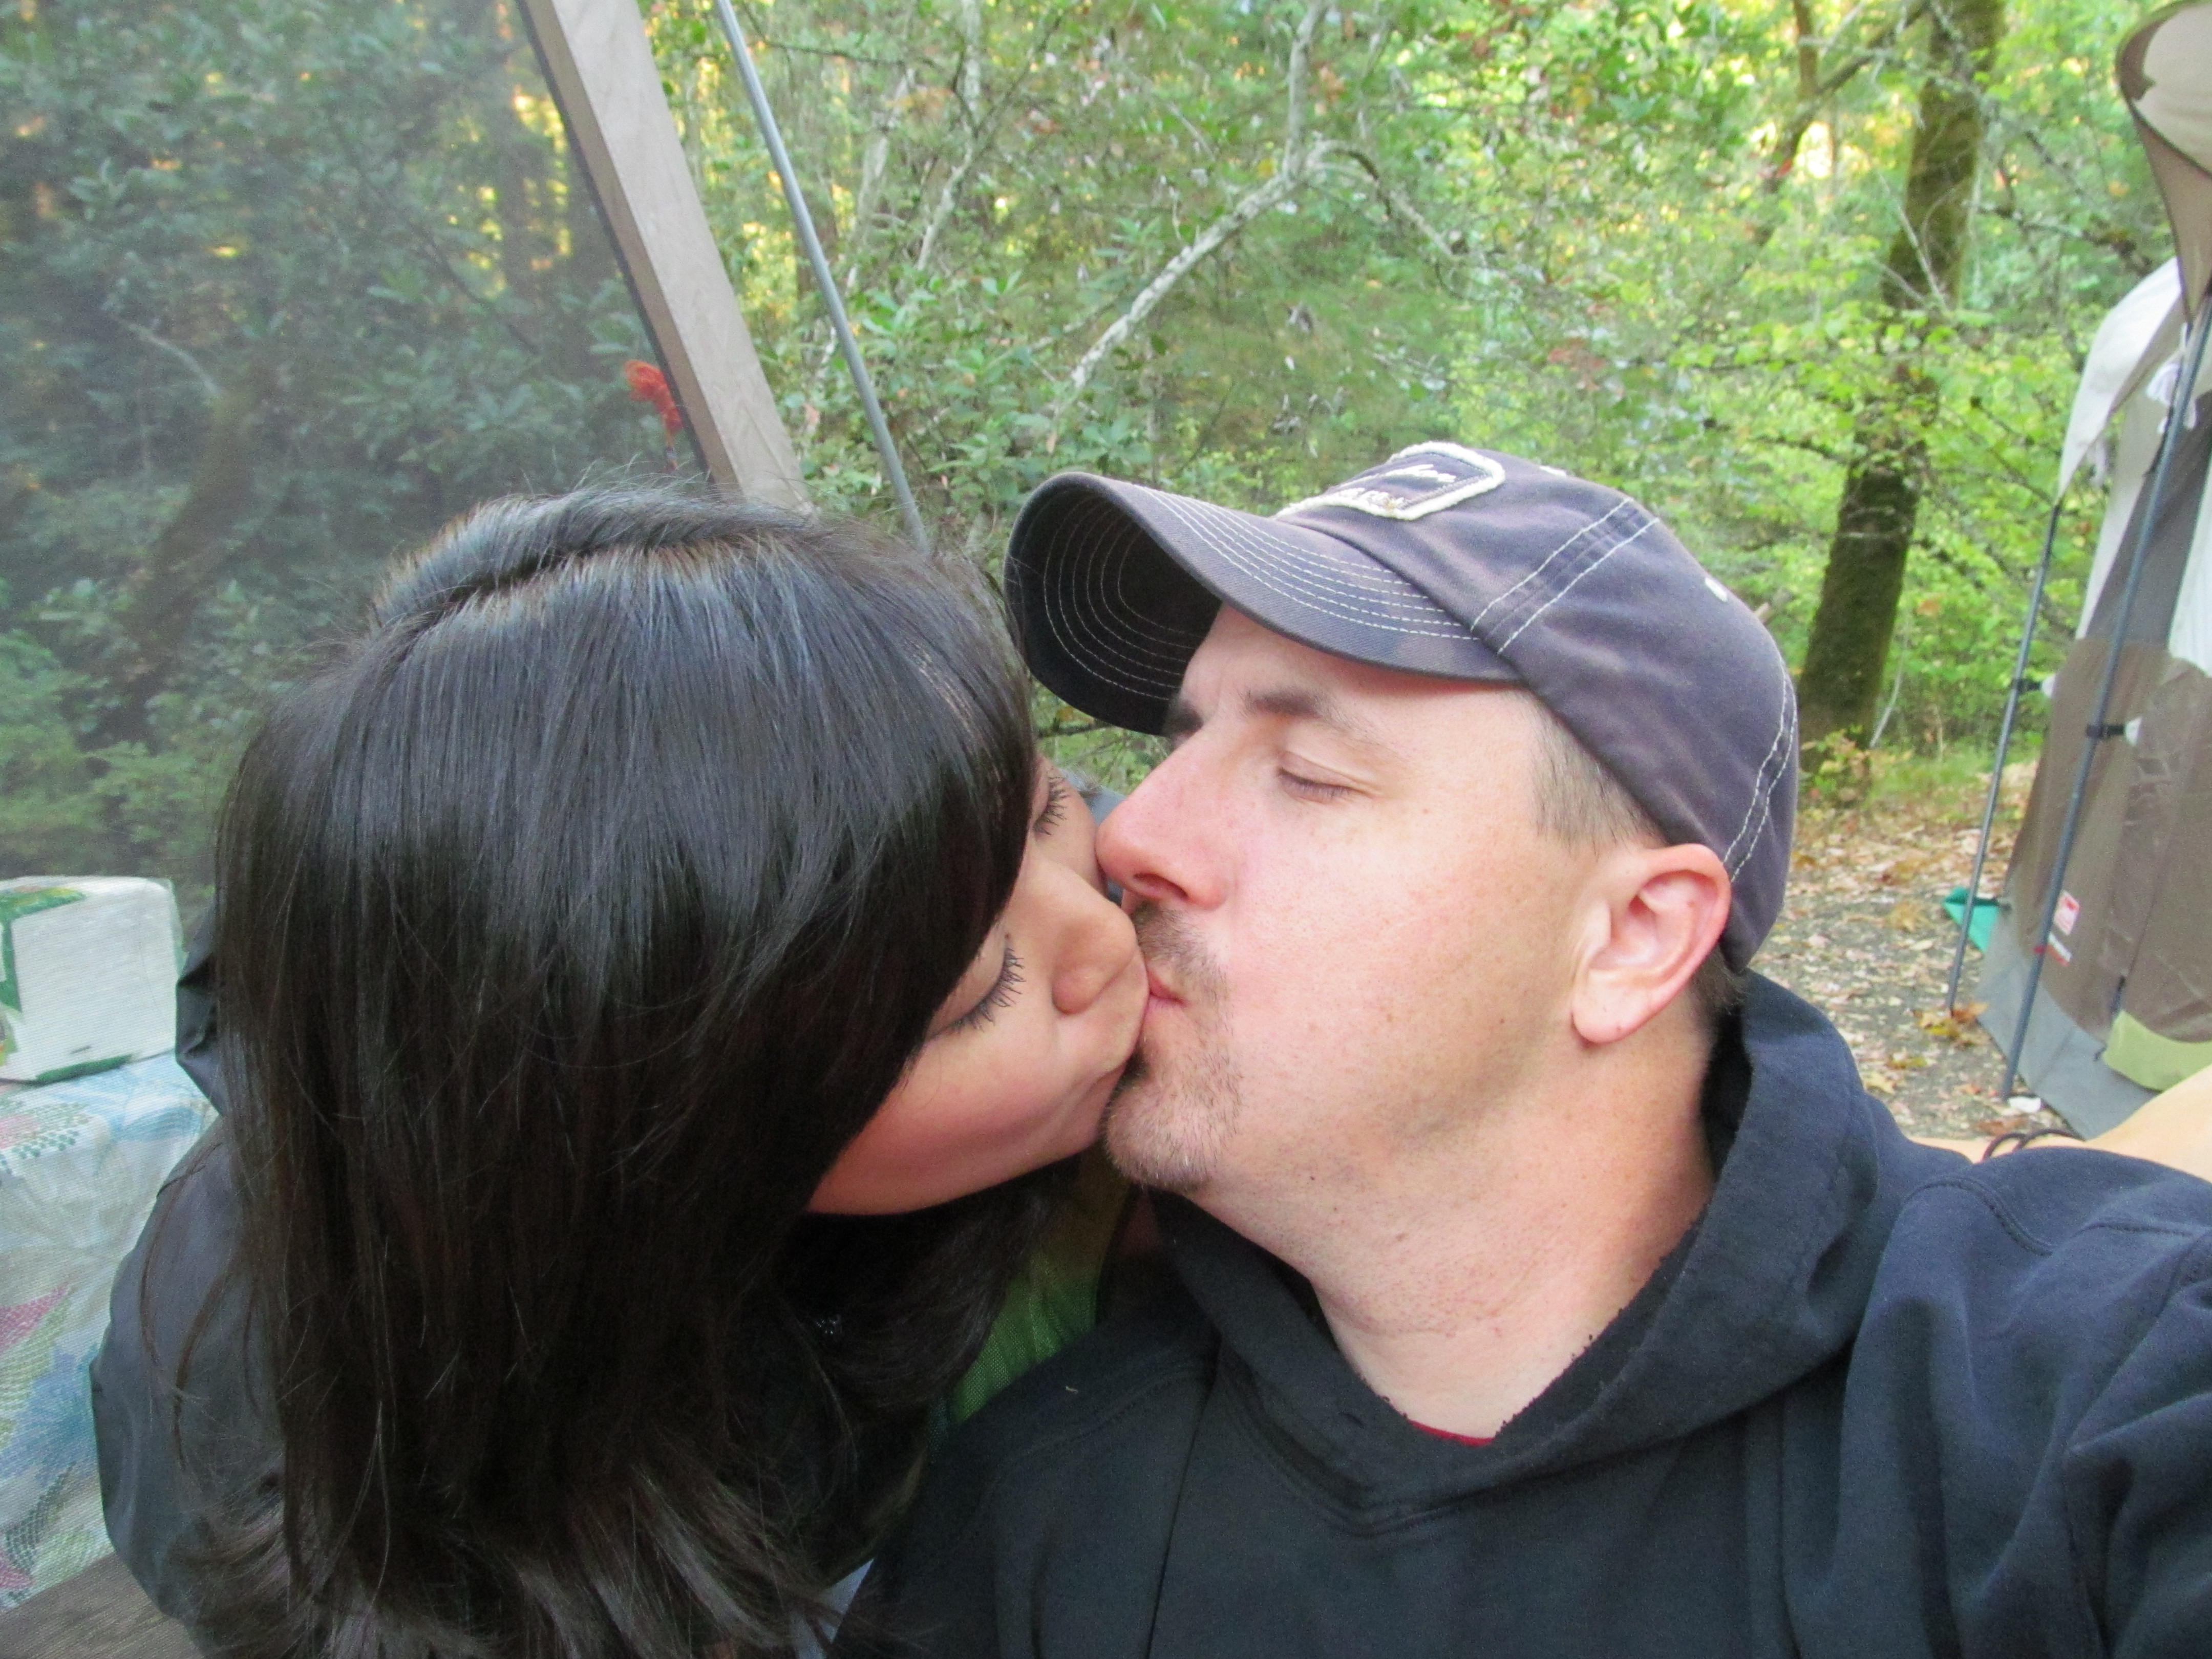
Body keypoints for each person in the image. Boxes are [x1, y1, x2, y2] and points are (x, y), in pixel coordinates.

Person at [841, 444, 2212, 1657]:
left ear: (1631, 940)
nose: (1132, 832)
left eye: (1307, 774)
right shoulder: (1035, 1519)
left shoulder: (2085, 1386)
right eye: (1184, 738)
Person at [91, 487, 1148, 1657]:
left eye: (1047, 811)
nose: (1105, 937)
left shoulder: (871, 865)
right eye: (976, 995)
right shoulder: (288, 1454)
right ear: (656, 1131)